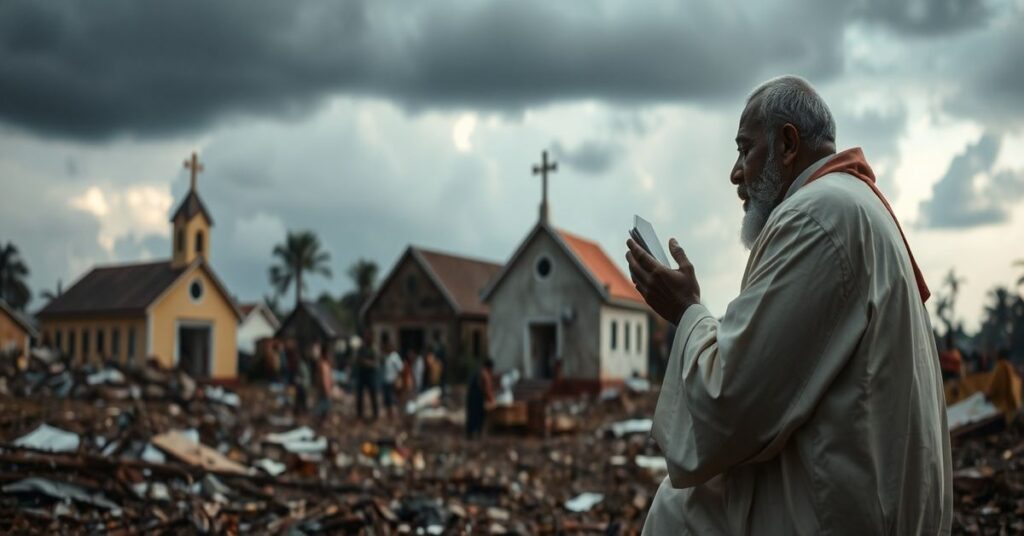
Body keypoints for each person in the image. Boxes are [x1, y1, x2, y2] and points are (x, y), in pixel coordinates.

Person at [627, 76, 951, 534]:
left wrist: (686, 312)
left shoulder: (816, 217)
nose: (735, 173)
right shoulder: (848, 206)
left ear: (787, 143)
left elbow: (730, 401)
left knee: (680, 512)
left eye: (744, 149)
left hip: (849, 518)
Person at [465, 358, 495, 439]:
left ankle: (470, 434)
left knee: (471, 416)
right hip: (478, 398)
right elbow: (487, 388)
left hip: (471, 397)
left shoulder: (477, 371)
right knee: (479, 416)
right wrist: (492, 399)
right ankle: (477, 434)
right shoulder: (484, 373)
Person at [354, 330, 380, 421]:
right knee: (360, 395)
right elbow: (357, 360)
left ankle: (376, 415)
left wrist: (366, 362)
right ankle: (359, 414)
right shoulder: (361, 348)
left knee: (373, 394)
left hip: (371, 374)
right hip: (362, 374)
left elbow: (375, 363)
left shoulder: (374, 348)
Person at [382, 342, 404, 418]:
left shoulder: (395, 356)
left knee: (394, 400)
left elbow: (400, 369)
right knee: (387, 401)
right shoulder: (386, 356)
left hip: (393, 382)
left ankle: (398, 416)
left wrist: (398, 379)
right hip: (386, 381)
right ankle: (390, 416)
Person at [312, 343, 333, 422]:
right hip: (324, 387)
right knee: (324, 404)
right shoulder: (322, 364)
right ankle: (318, 418)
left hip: (325, 387)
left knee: (324, 404)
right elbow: (323, 377)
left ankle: (322, 419)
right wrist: (326, 388)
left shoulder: (325, 363)